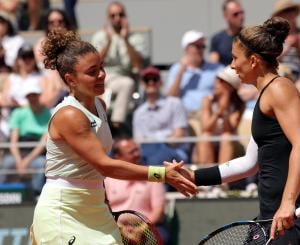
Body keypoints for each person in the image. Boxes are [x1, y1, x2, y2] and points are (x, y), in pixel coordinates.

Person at [30, 29, 196, 244]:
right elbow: (105, 166)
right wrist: (161, 174)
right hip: (63, 210)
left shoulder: (100, 104)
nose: (101, 75)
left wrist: (105, 203)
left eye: (101, 68)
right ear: (71, 79)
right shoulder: (69, 115)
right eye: (92, 72)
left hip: (95, 205)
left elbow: (95, 172)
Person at [176, 17, 300, 244]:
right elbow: (249, 163)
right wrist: (195, 176)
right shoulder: (264, 97)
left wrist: (288, 203)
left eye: (235, 58)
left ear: (253, 61)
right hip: (272, 218)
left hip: (292, 219)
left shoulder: (280, 89)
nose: (232, 66)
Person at [91, 1, 148, 129]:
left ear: (125, 17)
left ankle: (113, 123)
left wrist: (126, 40)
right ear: (108, 18)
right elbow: (94, 63)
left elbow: (137, 65)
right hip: (102, 77)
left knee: (127, 83)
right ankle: (117, 124)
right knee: (126, 84)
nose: (117, 18)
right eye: (113, 15)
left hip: (123, 78)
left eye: (120, 15)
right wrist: (109, 41)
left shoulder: (136, 38)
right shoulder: (99, 37)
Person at [104, 136, 170, 244]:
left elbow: (158, 211)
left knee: (162, 236)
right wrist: (121, 228)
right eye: (131, 152)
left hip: (147, 227)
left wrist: (141, 230)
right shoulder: (107, 179)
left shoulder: (153, 176)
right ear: (118, 157)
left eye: (137, 150)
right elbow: (104, 208)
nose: (137, 154)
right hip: (114, 226)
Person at [165, 30, 224, 137]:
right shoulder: (176, 69)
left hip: (208, 114)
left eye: (202, 46)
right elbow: (170, 97)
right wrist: (181, 71)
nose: (200, 50)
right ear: (186, 49)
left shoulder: (216, 69)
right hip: (186, 117)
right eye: (197, 46)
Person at [0, 80, 49, 196]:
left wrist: (26, 161)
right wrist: (19, 161)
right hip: (19, 152)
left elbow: (43, 142)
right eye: (29, 96)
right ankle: (2, 192)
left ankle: (36, 194)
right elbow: (13, 141)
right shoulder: (18, 113)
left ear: (39, 96)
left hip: (36, 153)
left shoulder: (48, 114)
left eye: (34, 95)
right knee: (7, 163)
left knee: (40, 164)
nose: (32, 98)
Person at [133, 66, 189, 166]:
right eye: (147, 80)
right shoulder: (139, 112)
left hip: (173, 150)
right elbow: (139, 142)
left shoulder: (175, 103)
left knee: (156, 158)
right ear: (143, 84)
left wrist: (159, 144)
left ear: (160, 82)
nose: (151, 82)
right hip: (149, 152)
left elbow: (178, 136)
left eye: (154, 79)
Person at [197, 66, 245, 164]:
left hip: (227, 143)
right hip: (210, 142)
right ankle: (208, 176)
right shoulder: (207, 100)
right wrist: (218, 113)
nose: (216, 83)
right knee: (206, 136)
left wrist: (224, 112)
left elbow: (229, 130)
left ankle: (224, 178)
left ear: (230, 87)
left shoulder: (239, 105)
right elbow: (206, 128)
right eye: (217, 79)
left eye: (221, 81)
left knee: (226, 137)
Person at [271, 0, 300, 81]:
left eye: (291, 10)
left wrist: (298, 46)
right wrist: (287, 48)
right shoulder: (273, 36)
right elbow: (269, 60)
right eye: (285, 11)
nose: (289, 14)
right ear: (279, 16)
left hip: (298, 74)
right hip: (276, 72)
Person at [209, 0, 244, 66]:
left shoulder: (247, 36)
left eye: (241, 13)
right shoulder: (217, 39)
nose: (241, 17)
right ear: (226, 16)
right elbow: (213, 65)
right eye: (236, 14)